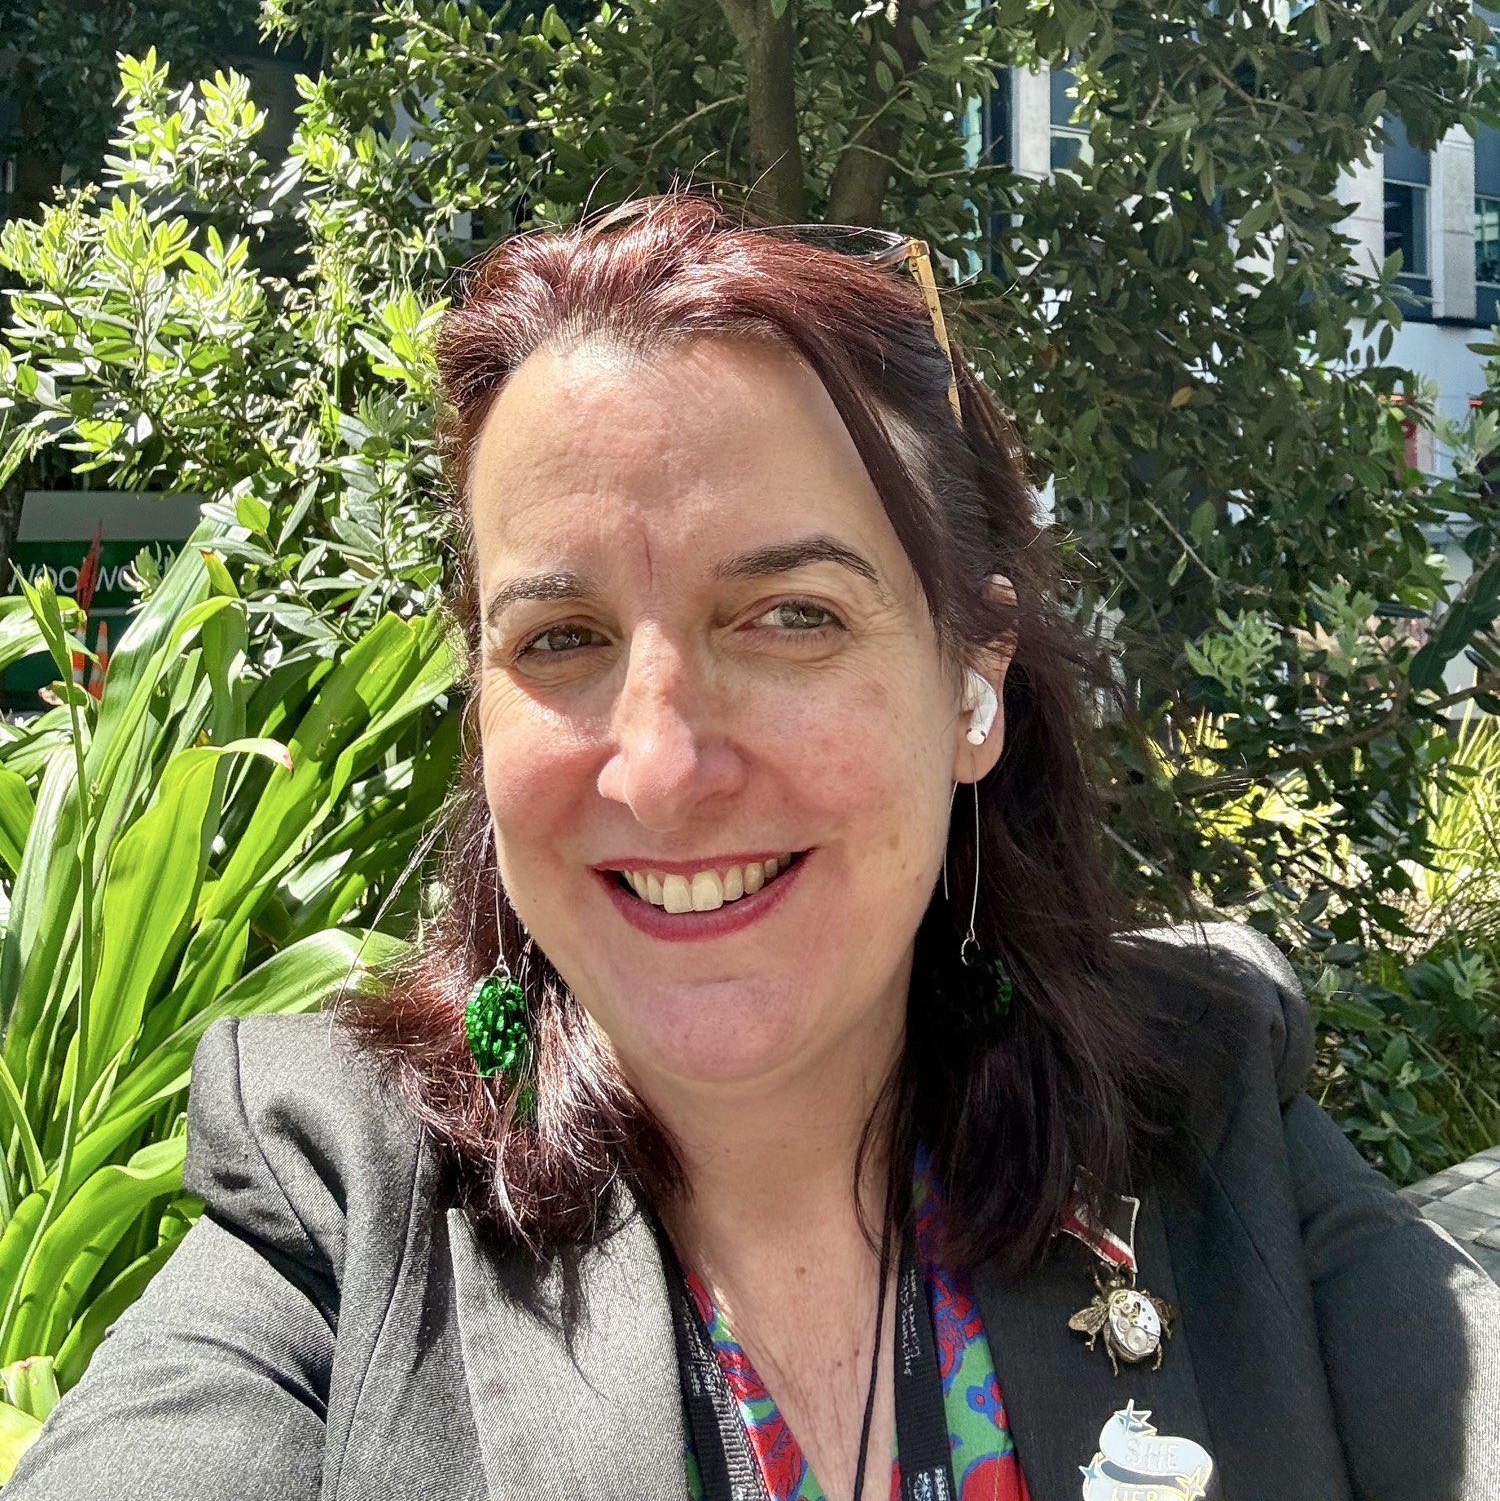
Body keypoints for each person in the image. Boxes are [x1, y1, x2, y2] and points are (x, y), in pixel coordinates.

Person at [11, 196, 1499, 1501]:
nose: (662, 771)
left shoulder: (1204, 1112)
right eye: (562, 636)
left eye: (792, 616)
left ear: (972, 680)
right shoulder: (340, 1216)